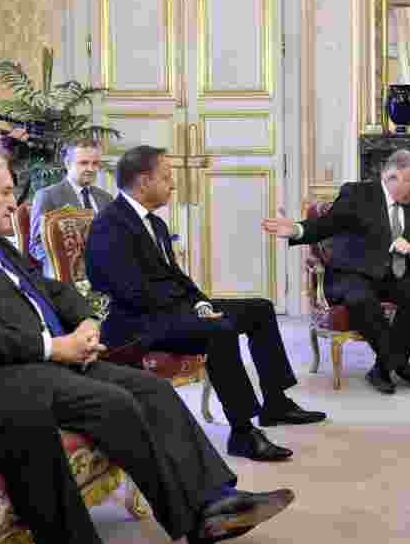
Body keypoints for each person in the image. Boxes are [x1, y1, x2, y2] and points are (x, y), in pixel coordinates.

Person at [0, 152, 294, 544]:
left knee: (153, 389)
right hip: (19, 369)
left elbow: (54, 289)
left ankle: (216, 497)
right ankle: (194, 518)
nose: (14, 201)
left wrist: (86, 320)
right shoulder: (110, 225)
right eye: (5, 192)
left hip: (65, 352)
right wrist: (52, 347)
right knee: (116, 402)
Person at [85, 145, 325, 463]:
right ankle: (242, 432)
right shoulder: (109, 225)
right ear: (144, 182)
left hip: (170, 309)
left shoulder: (153, 223)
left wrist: (199, 302)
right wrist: (193, 311)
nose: (173, 185)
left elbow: (175, 277)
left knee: (260, 309)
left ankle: (275, 403)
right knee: (219, 330)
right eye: (167, 178)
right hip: (137, 323)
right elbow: (129, 291)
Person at [262, 149, 410, 395]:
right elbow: (327, 224)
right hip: (352, 273)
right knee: (361, 298)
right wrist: (296, 230)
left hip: (391, 275)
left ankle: (382, 368)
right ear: (392, 177)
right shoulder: (358, 194)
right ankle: (402, 367)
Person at [30, 139, 113, 277]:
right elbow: (36, 246)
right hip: (65, 280)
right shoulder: (48, 196)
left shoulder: (106, 198)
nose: (90, 169)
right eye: (84, 163)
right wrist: (66, 262)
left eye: (95, 163)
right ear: (68, 164)